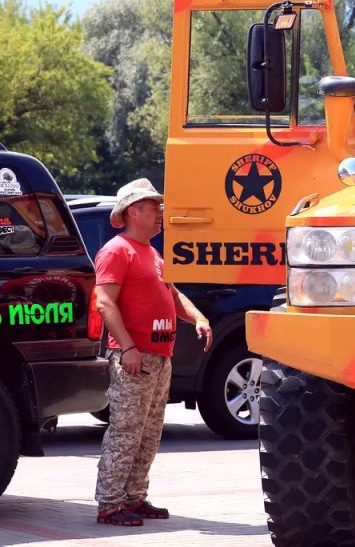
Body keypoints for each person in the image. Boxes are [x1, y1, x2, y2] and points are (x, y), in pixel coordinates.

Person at [93, 178, 213, 526]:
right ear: (134, 211)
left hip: (159, 359)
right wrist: (128, 347)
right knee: (126, 431)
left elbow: (173, 297)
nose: (161, 213)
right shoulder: (117, 250)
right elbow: (104, 302)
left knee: (148, 433)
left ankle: (134, 498)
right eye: (154, 207)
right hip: (135, 358)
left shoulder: (152, 253)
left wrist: (198, 318)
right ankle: (111, 504)